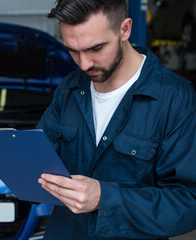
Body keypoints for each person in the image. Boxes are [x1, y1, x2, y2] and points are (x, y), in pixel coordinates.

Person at [37, 0, 196, 239]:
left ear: (125, 29)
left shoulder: (175, 97)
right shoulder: (69, 87)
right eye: (72, 49)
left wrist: (104, 199)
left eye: (95, 48)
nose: (83, 64)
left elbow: (188, 203)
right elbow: (40, 159)